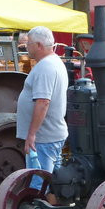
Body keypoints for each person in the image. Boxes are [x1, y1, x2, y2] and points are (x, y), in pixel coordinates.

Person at [16, 26, 68, 189]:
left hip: (43, 138)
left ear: (38, 45)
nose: (26, 47)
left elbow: (43, 102)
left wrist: (32, 134)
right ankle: (55, 205)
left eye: (29, 43)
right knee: (55, 184)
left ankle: (40, 205)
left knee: (38, 183)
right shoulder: (54, 62)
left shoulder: (45, 67)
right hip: (51, 134)